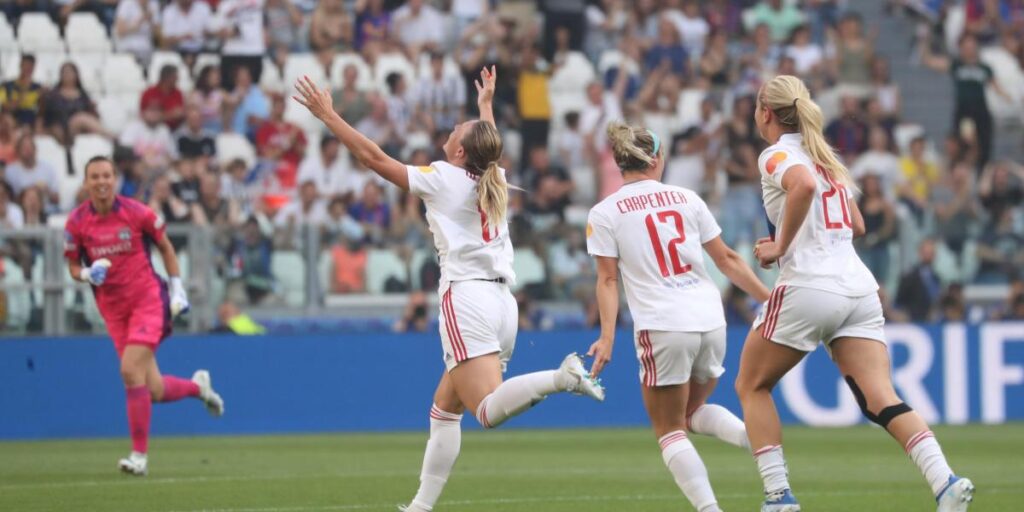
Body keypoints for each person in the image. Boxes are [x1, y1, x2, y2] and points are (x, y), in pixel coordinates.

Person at [293, 66, 605, 512]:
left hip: (468, 299)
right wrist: (484, 109)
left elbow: (374, 159)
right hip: (502, 305)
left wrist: (328, 115)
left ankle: (562, 377)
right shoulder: (493, 178)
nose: (453, 127)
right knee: (445, 408)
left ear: (460, 150)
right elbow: (489, 150)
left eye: (460, 128)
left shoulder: (443, 175)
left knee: (487, 411)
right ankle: (420, 507)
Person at [734, 75, 973, 512]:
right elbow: (858, 226)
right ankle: (946, 481)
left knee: (751, 385)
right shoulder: (826, 158)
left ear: (765, 112)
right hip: (859, 289)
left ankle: (778, 497)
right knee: (881, 397)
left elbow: (802, 187)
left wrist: (780, 245)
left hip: (808, 285)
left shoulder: (775, 155)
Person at [585, 121, 770, 512]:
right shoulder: (687, 199)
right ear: (657, 159)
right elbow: (728, 260)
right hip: (709, 319)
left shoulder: (604, 212)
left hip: (663, 324)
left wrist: (607, 337)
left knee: (669, 430)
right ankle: (760, 444)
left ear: (621, 163)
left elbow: (607, 280)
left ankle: (710, 509)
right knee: (689, 414)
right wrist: (769, 299)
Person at [63, 156, 224, 476]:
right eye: (94, 177)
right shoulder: (76, 223)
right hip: (113, 310)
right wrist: (86, 274)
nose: (101, 182)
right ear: (86, 183)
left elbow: (165, 248)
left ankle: (139, 457)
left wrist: (177, 288)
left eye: (107, 175)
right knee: (152, 389)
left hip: (149, 301)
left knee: (128, 369)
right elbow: (71, 267)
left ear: (116, 179)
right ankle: (198, 388)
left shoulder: (138, 213)